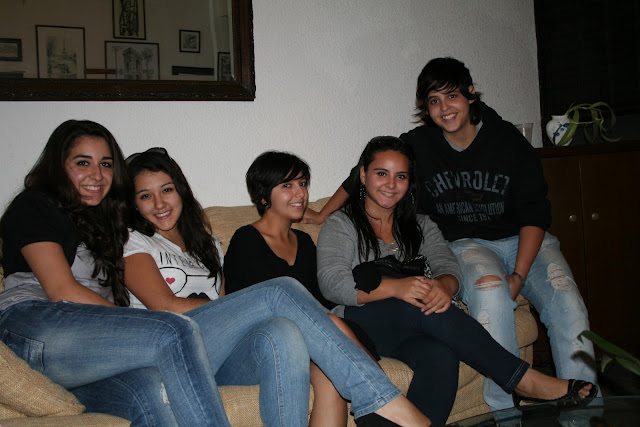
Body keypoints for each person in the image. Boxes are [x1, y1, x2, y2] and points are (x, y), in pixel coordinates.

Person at [305, 57, 599, 412]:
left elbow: (451, 262)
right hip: (370, 316)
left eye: (401, 177)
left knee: (444, 353)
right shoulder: (346, 221)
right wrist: (324, 216)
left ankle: (581, 406)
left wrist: (447, 285)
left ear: (470, 94)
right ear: (364, 177)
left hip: (494, 259)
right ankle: (519, 384)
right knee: (436, 300)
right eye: (434, 100)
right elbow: (332, 283)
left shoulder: (422, 221)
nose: (391, 184)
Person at [123, 147, 431, 427]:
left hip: (220, 352)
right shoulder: (133, 242)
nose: (160, 203)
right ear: (133, 203)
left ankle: (373, 393)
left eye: (167, 190)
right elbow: (165, 306)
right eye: (146, 196)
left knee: (287, 332)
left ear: (181, 191)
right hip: (174, 352)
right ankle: (381, 397)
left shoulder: (207, 243)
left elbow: (231, 302)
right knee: (280, 292)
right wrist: (239, 308)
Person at [0, 120, 233, 427]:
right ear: (58, 165)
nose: (97, 175)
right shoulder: (35, 205)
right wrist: (139, 323)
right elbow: (61, 290)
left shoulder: (104, 221)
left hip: (80, 352)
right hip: (32, 328)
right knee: (173, 329)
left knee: (152, 390)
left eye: (106, 164)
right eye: (83, 162)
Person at [224, 150, 380, 427]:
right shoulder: (246, 239)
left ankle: (378, 400)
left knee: (332, 378)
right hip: (268, 344)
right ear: (263, 196)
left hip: (314, 337)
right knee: (331, 332)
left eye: (303, 184)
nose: (300, 193)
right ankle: (383, 398)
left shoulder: (305, 242)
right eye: (287, 185)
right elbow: (247, 309)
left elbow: (322, 299)